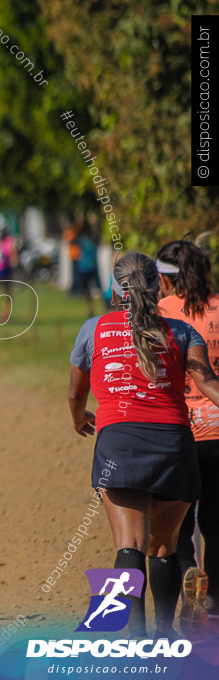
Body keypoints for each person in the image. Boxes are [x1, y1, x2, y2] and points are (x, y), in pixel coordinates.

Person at [68, 252, 219, 639]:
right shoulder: (183, 332)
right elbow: (208, 385)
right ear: (158, 287)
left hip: (119, 443)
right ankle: (166, 634)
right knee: (164, 548)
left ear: (115, 288)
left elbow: (75, 394)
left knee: (130, 546)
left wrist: (79, 418)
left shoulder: (93, 328)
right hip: (174, 445)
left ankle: (135, 640)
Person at [156, 240, 219, 631]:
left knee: (175, 524)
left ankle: (187, 574)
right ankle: (211, 605)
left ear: (164, 277)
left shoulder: (161, 313)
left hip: (177, 432)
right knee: (216, 524)